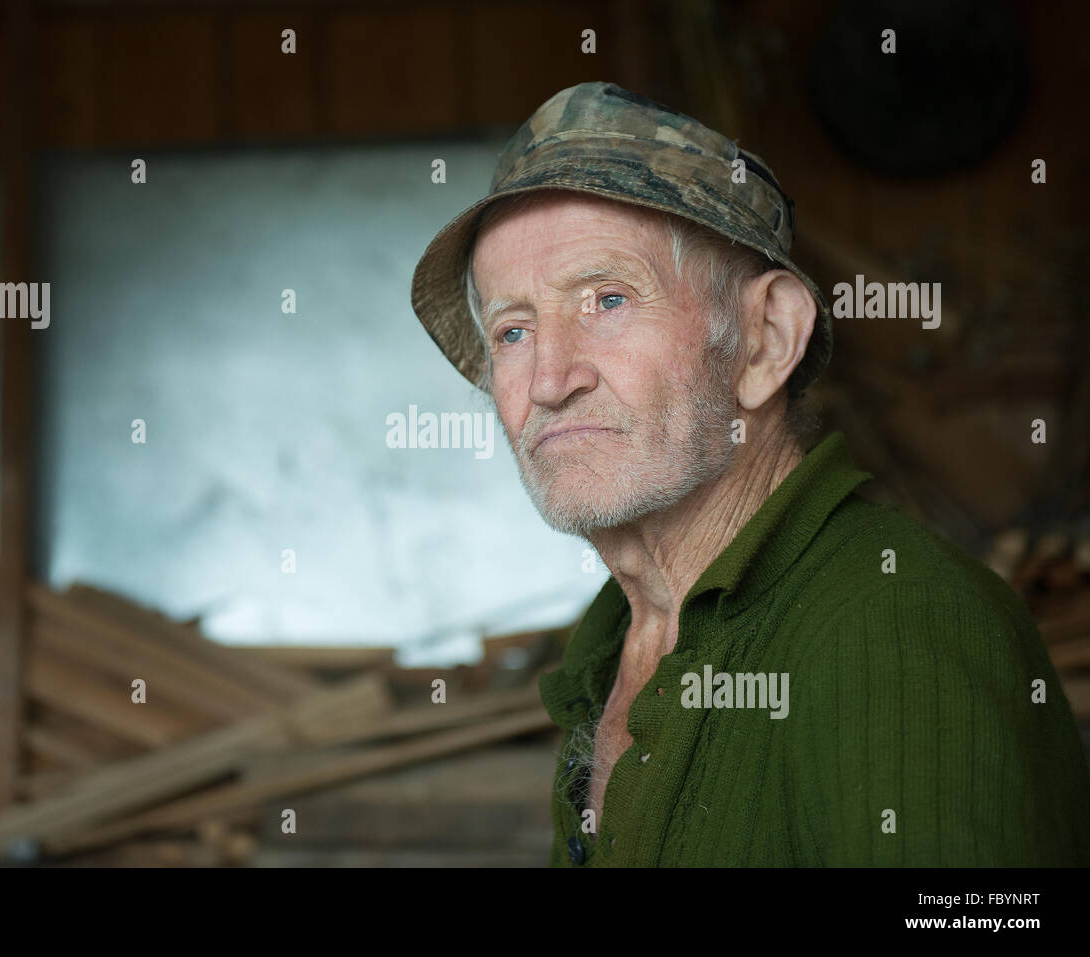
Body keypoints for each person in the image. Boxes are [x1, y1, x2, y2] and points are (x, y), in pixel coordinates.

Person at [409, 80, 1090, 866]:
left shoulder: (897, 625)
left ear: (766, 340)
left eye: (608, 299)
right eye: (514, 330)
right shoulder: (614, 645)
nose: (550, 379)